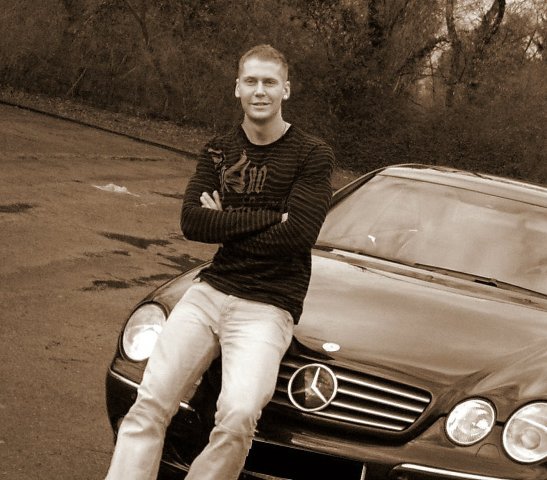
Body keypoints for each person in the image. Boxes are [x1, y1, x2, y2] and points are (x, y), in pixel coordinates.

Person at [104, 44, 335, 480]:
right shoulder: (218, 150)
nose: (260, 91)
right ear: (237, 88)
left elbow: (299, 235)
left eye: (269, 82)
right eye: (251, 81)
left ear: (286, 89)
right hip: (210, 292)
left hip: (268, 306)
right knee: (149, 403)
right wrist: (271, 217)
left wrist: (226, 221)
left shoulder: (312, 154)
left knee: (238, 416)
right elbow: (193, 222)